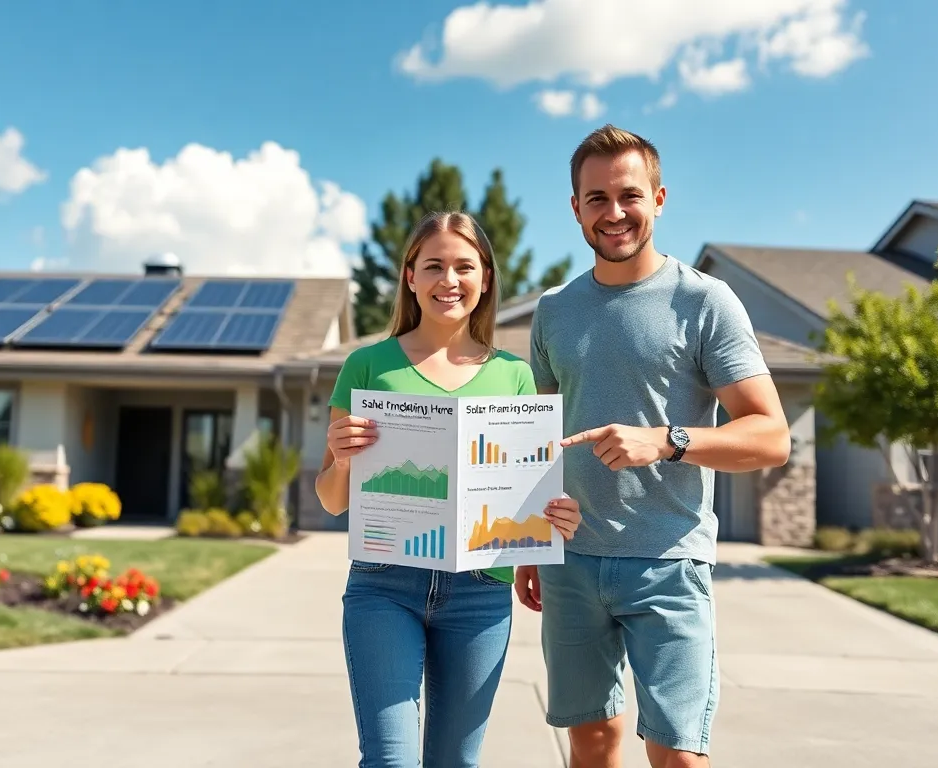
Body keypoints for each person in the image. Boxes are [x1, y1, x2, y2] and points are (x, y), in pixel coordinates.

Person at [515, 125, 791, 768]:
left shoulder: (705, 302)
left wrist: (668, 441)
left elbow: (770, 435)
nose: (614, 213)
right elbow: (538, 432)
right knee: (591, 739)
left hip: (668, 560)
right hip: (571, 563)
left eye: (629, 195)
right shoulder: (554, 310)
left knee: (677, 754)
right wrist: (529, 540)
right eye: (596, 199)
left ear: (659, 198)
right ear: (575, 207)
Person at [316, 210, 583, 768]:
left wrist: (551, 516)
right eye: (433, 265)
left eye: (465, 266)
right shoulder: (367, 365)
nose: (449, 280)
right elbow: (332, 498)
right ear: (410, 276)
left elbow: (528, 488)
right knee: (391, 761)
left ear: (485, 277)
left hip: (480, 591)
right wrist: (341, 460)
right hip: (383, 585)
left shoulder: (513, 374)